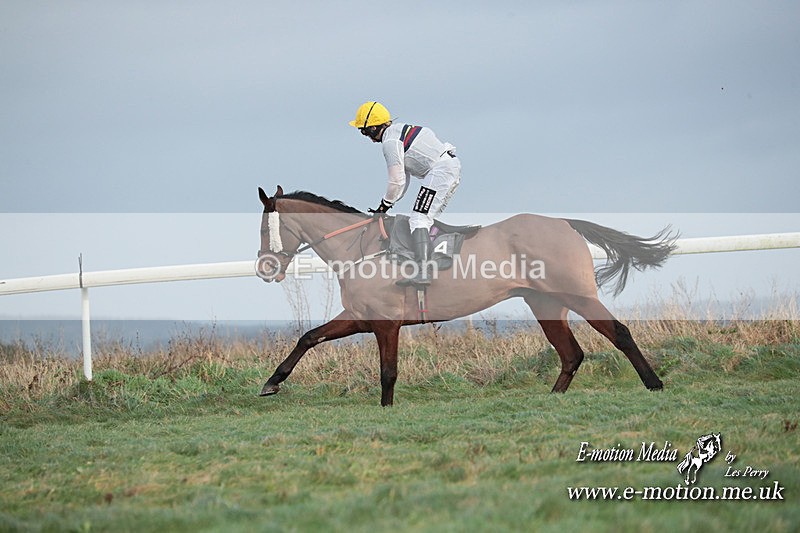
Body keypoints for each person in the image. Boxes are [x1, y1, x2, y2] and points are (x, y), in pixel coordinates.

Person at [349, 101, 461, 287]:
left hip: (441, 171)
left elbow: (396, 180)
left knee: (418, 219)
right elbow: (403, 179)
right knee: (423, 218)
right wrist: (388, 204)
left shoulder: (390, 142)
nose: (366, 136)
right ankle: (432, 257)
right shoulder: (397, 133)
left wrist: (384, 206)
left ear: (375, 127)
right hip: (445, 168)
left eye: (365, 131)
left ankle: (424, 271)